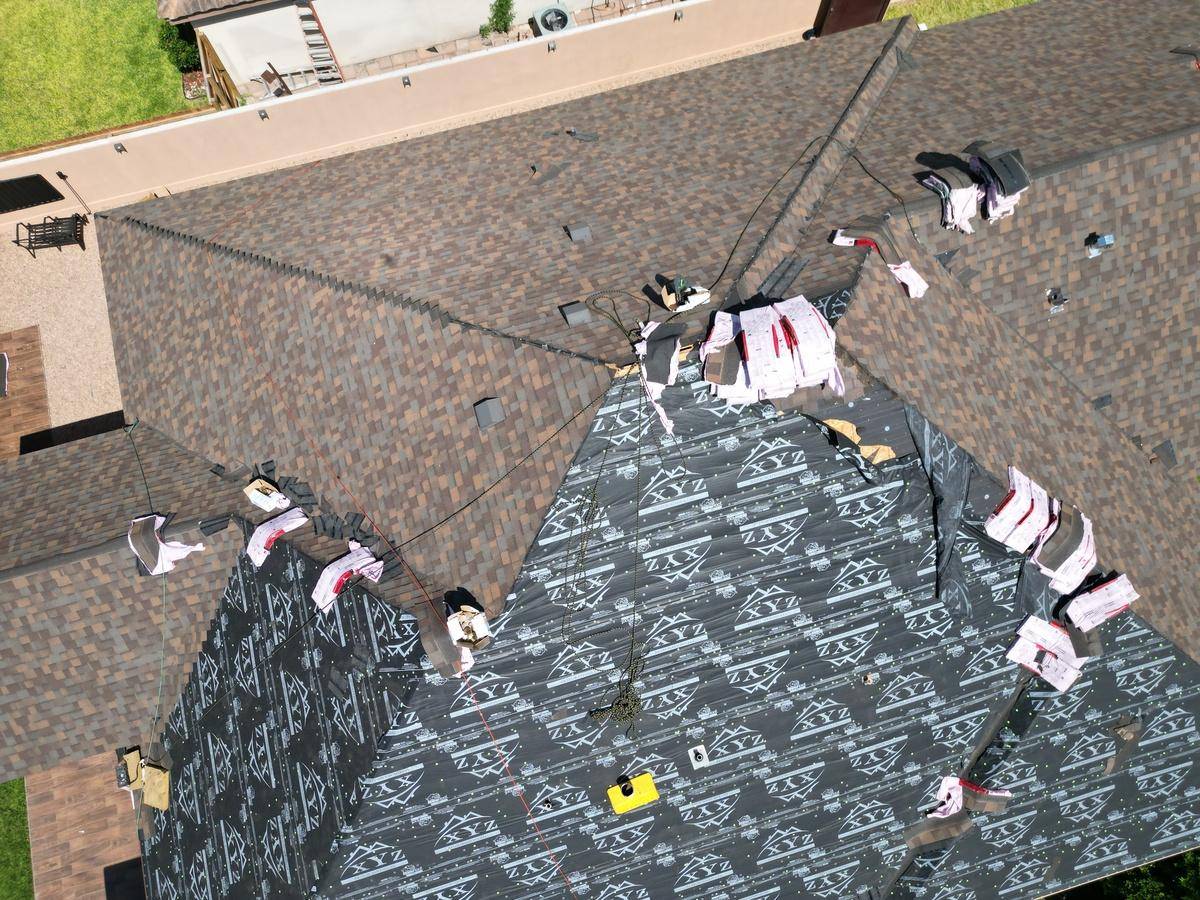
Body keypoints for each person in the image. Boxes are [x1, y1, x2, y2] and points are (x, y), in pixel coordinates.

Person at [444, 587, 492, 651]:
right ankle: (455, 594)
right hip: (467, 609)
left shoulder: (461, 638)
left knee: (459, 600)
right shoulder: (483, 631)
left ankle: (453, 595)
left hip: (461, 611)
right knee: (462, 600)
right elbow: (479, 614)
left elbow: (451, 622)